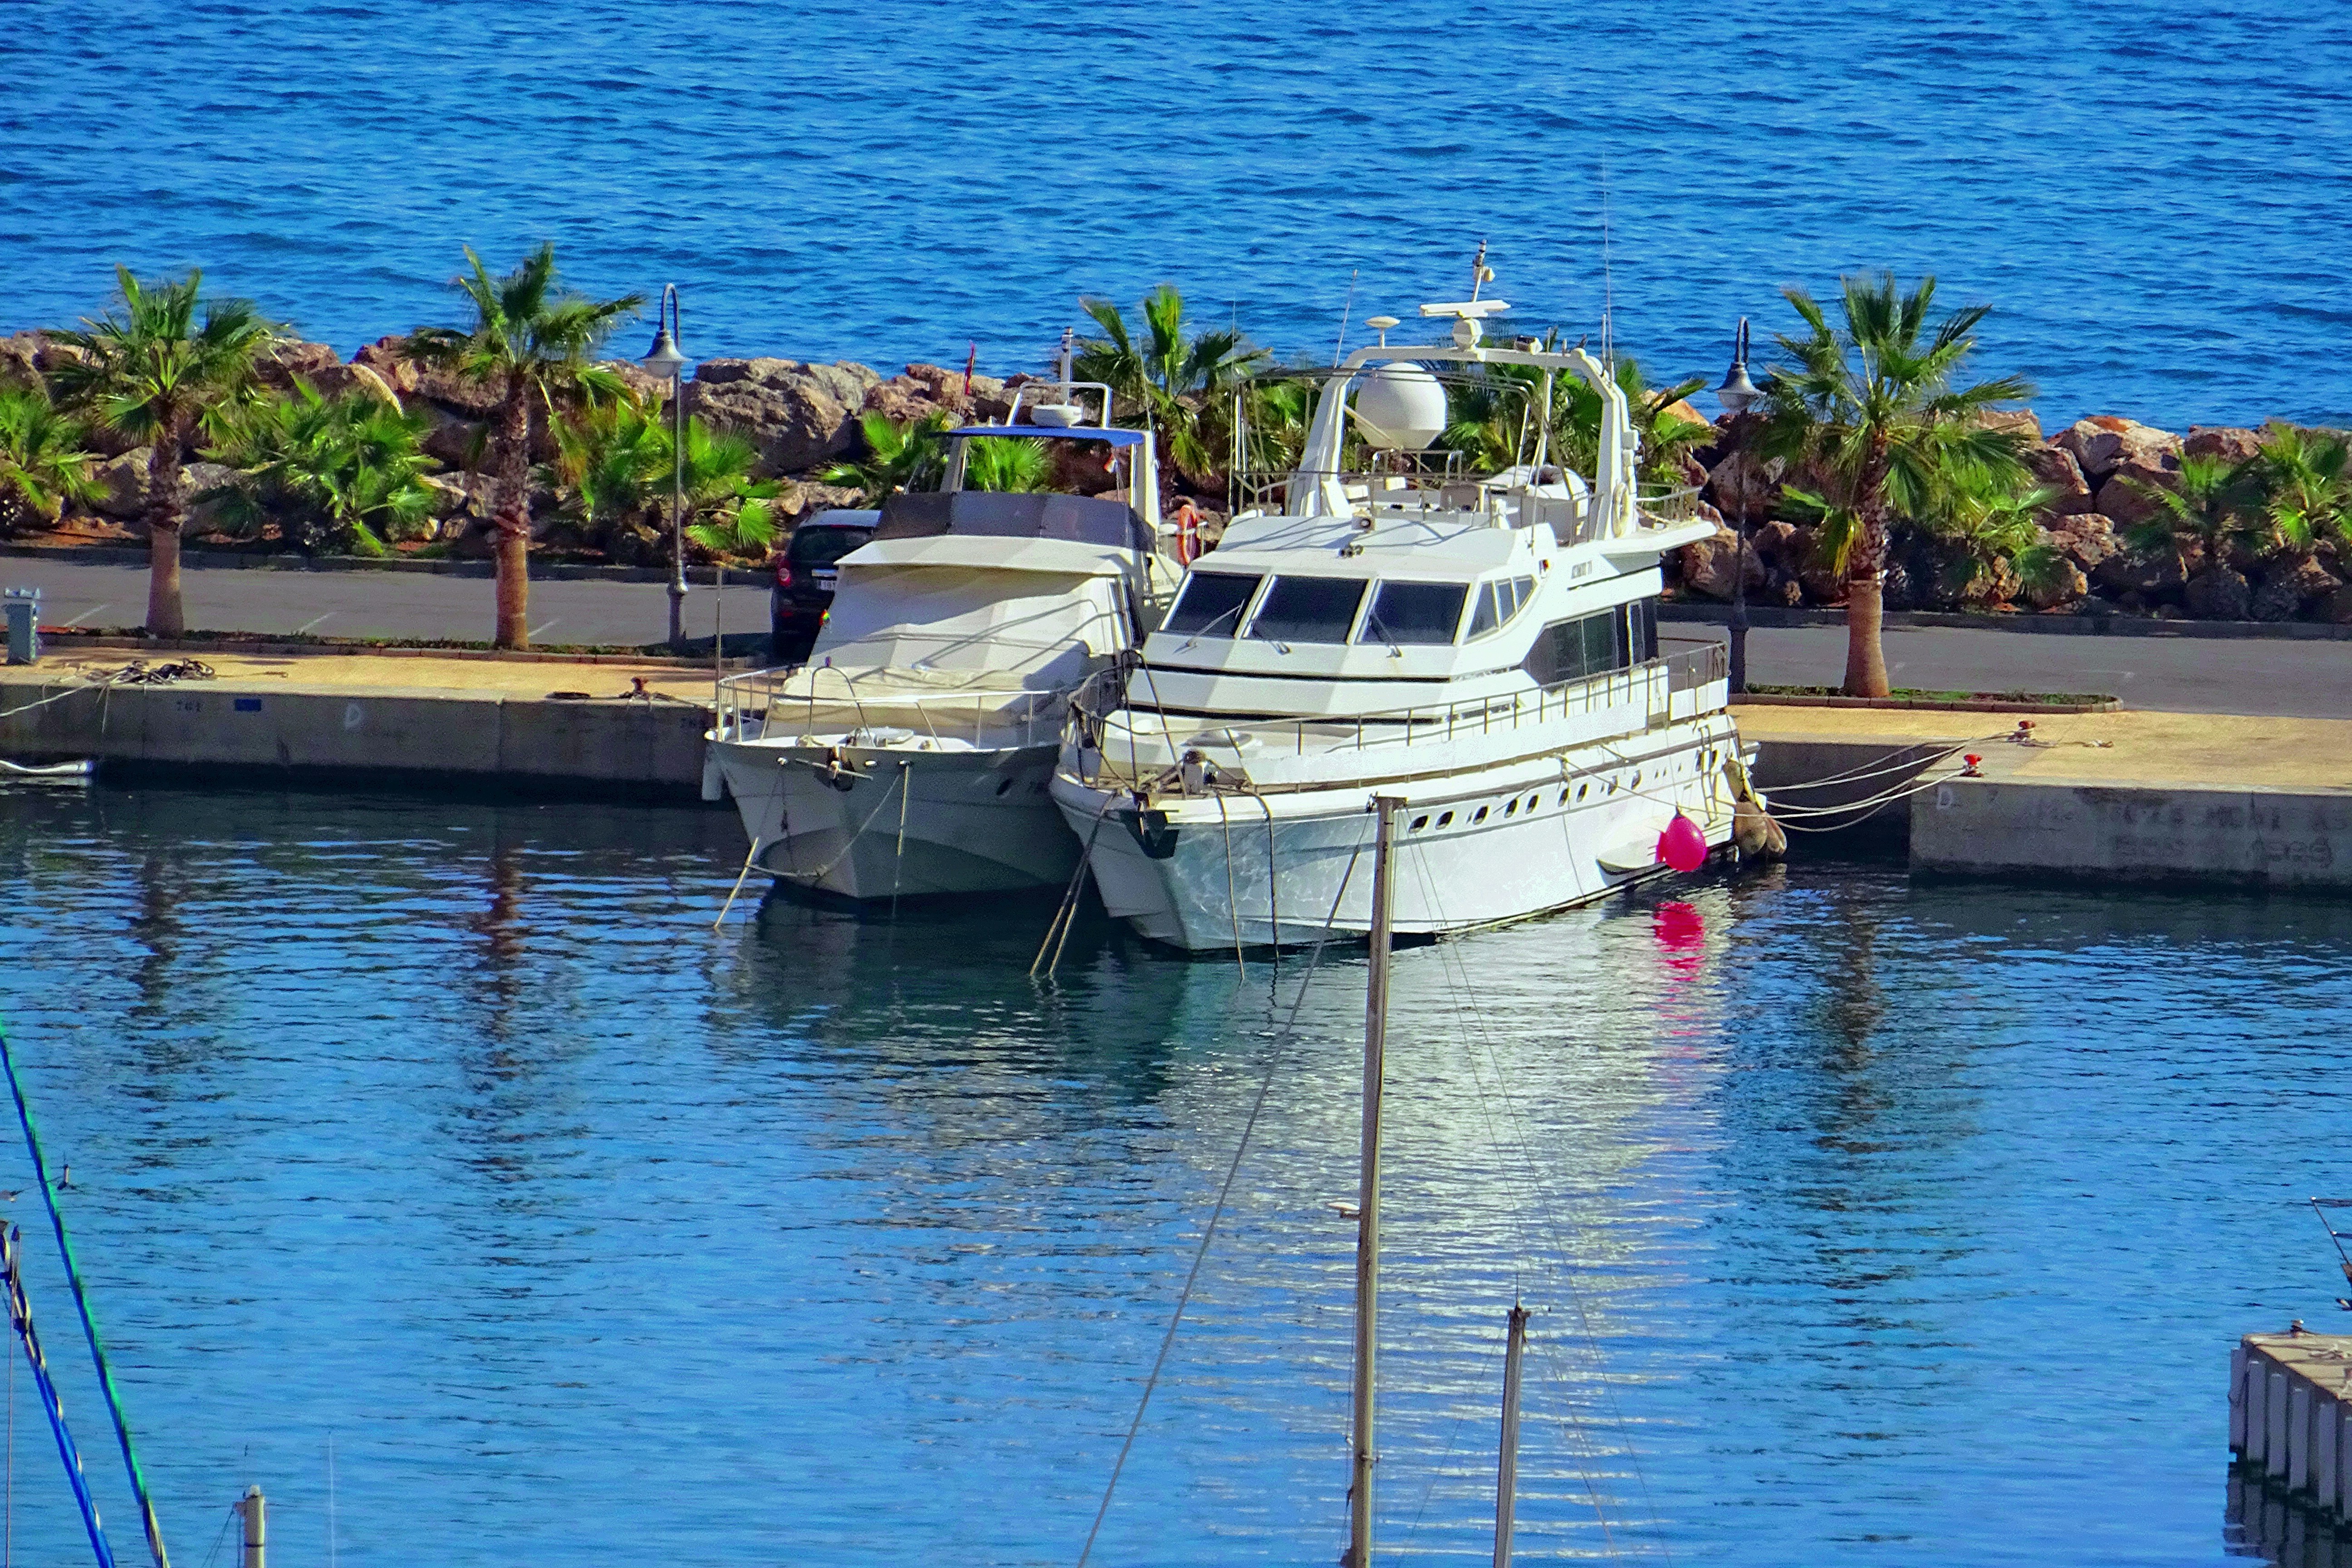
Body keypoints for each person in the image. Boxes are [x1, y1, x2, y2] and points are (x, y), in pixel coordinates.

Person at [1170, 497, 1203, 564]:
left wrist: (1183, 532)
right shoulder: (1190, 510)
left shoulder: (1186, 510)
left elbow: (1184, 525)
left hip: (1188, 544)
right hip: (1191, 545)